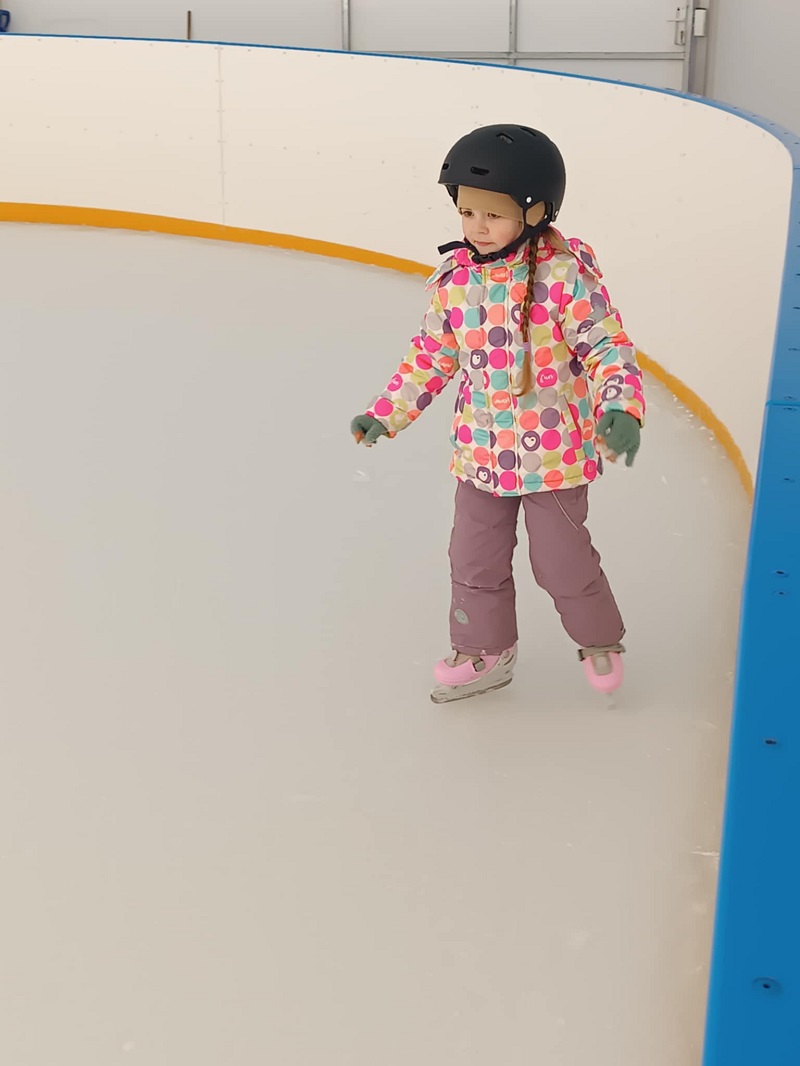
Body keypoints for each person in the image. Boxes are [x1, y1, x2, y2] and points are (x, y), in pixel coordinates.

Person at [351, 124, 645, 704]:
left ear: (535, 211)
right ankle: (484, 650)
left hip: (554, 458)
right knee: (473, 559)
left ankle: (599, 637)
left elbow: (607, 346)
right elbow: (429, 356)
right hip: (481, 455)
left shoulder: (564, 278)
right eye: (467, 212)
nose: (477, 227)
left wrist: (621, 407)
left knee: (561, 562)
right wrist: (386, 413)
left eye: (493, 214)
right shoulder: (456, 282)